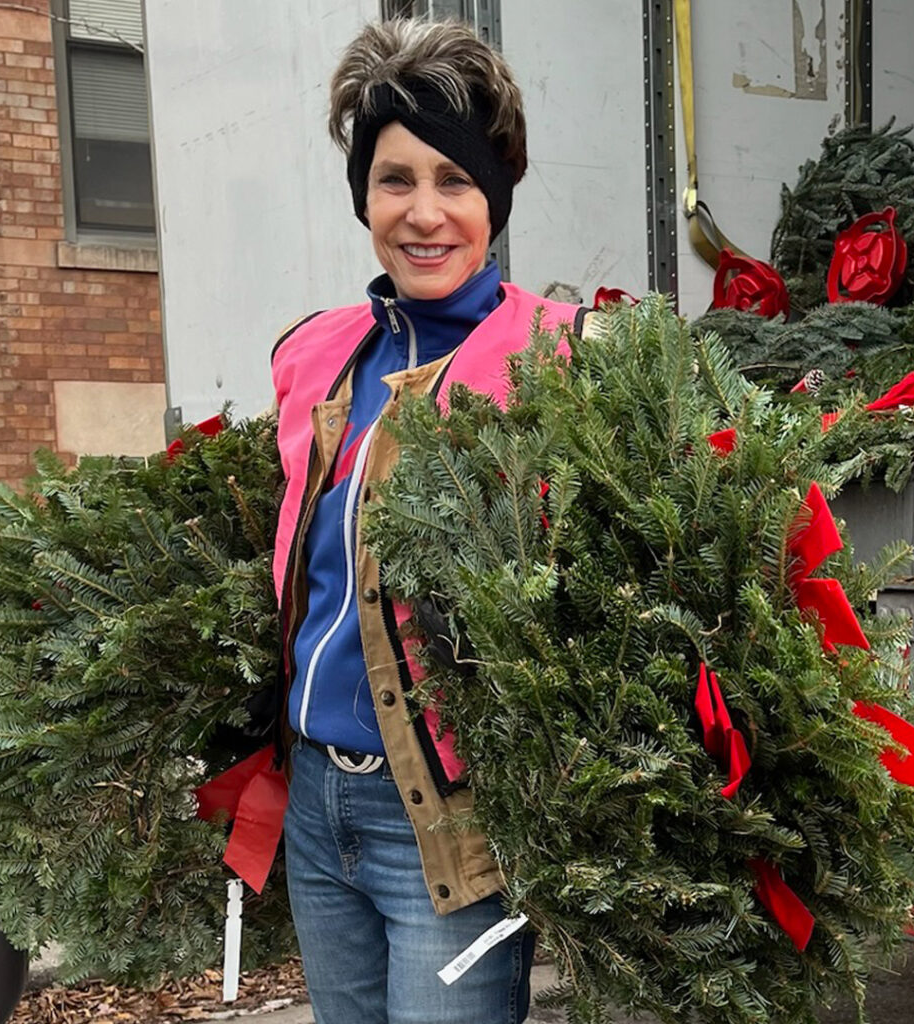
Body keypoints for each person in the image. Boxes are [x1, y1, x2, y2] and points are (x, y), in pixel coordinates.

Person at [270, 18, 594, 1024]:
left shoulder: (557, 360)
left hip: (451, 825)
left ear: (494, 197)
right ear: (362, 194)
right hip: (318, 809)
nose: (423, 212)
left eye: (454, 180)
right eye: (394, 179)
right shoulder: (316, 357)